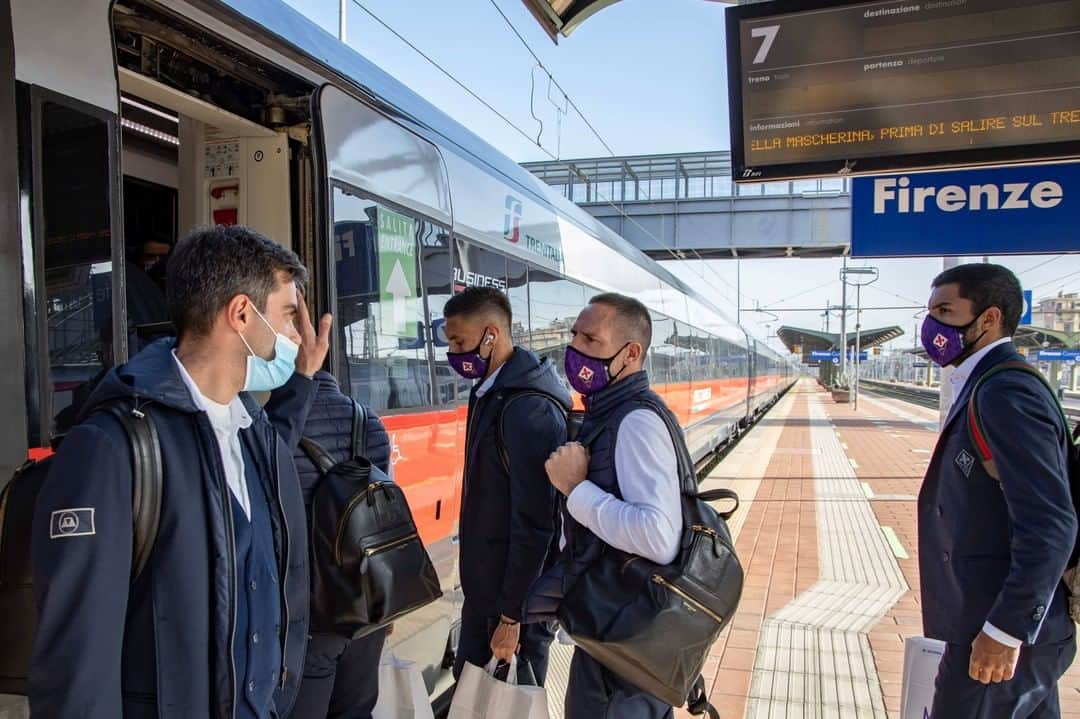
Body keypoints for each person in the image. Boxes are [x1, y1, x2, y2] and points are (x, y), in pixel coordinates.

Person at [29, 225, 332, 719]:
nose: (298, 338)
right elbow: (76, 661)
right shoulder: (112, 448)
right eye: (288, 316)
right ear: (240, 314)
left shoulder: (252, 434)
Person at [918, 263, 1076, 718]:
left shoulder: (1005, 390)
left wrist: (1004, 631)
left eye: (946, 310)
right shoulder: (992, 382)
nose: (933, 325)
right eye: (931, 312)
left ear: (988, 319)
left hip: (996, 635)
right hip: (1010, 632)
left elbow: (1050, 522)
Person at [543, 292, 682, 719]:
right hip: (618, 634)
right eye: (574, 336)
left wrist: (576, 488)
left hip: (626, 639)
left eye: (591, 340)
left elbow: (658, 537)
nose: (575, 350)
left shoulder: (635, 421)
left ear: (630, 353)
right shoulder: (613, 413)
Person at [443, 286, 570, 685]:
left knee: (511, 703)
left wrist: (512, 616)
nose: (454, 354)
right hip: (489, 597)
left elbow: (535, 523)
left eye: (459, 342)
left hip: (513, 608)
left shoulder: (528, 408)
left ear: (491, 334)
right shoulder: (495, 393)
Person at [264, 369, 393, 719]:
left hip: (312, 612)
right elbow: (383, 518)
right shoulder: (370, 422)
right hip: (367, 605)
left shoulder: (270, 429)